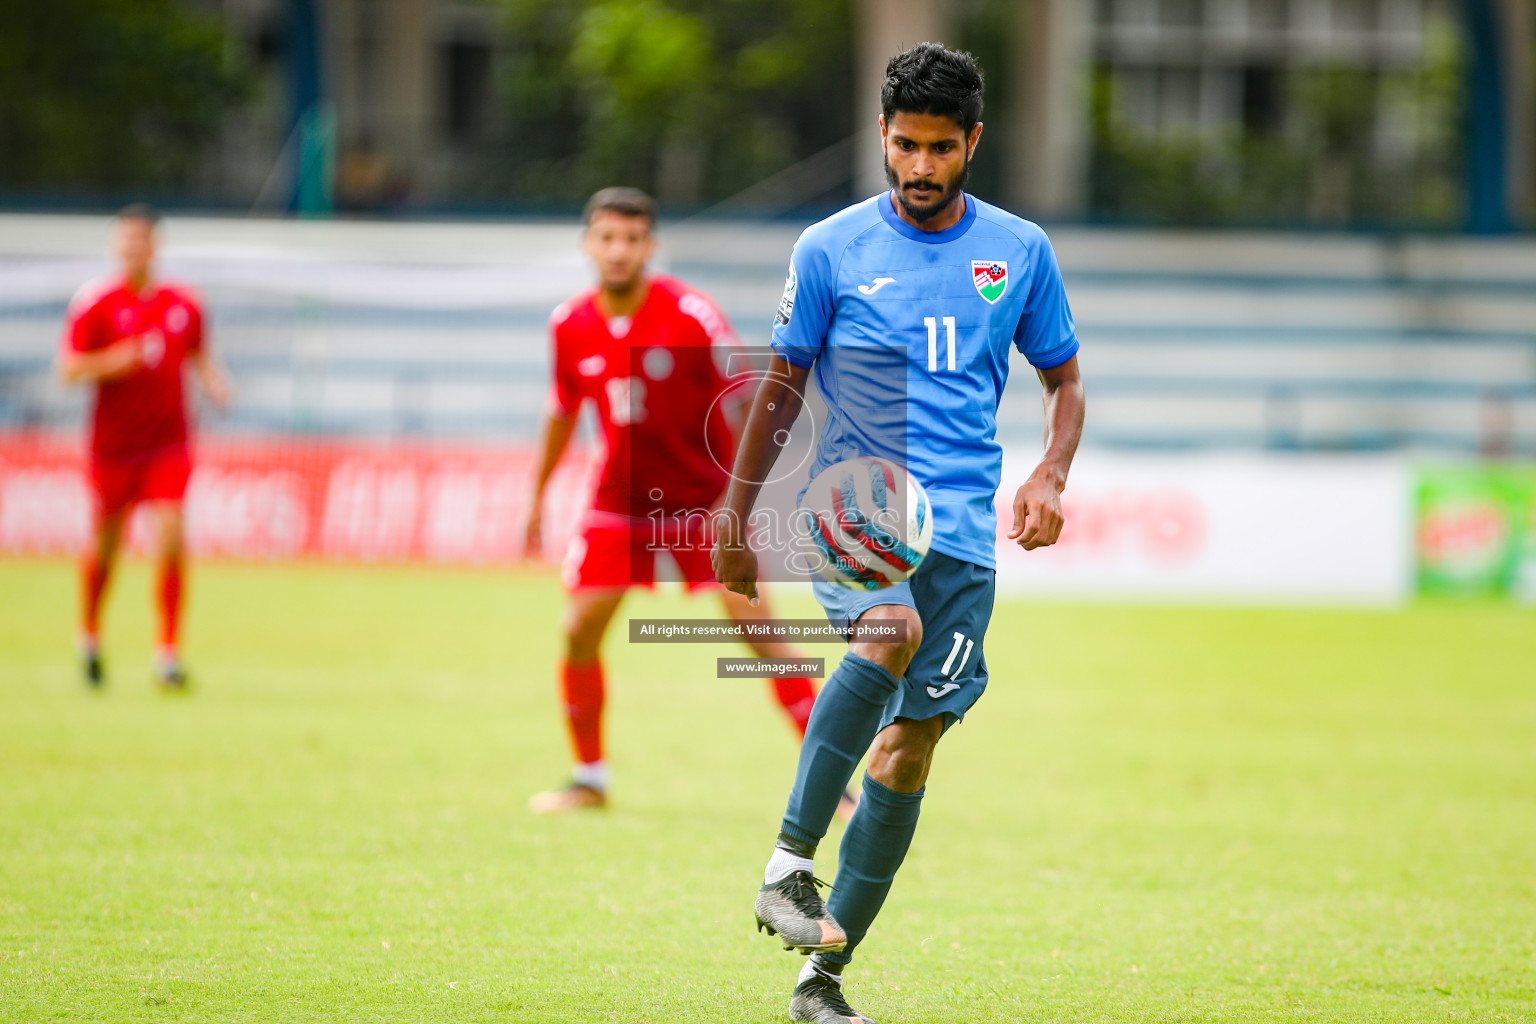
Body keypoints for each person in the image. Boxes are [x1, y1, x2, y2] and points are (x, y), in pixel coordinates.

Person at [712, 43, 1086, 1023]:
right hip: (857, 501)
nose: (920, 167)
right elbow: (784, 385)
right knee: (887, 634)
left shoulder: (1022, 251)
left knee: (908, 753)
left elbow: (1066, 381)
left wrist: (1050, 471)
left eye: (940, 149)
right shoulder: (829, 248)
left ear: (972, 143)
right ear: (881, 136)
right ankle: (788, 863)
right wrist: (736, 512)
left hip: (963, 540)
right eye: (905, 146)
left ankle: (821, 981)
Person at [524, 187, 844, 815]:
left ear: (651, 246)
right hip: (618, 506)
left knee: (761, 637)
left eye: (632, 239)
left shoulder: (691, 315)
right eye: (607, 238)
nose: (619, 251)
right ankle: (590, 778)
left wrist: (740, 501)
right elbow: (562, 413)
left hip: (702, 506)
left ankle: (834, 788)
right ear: (589, 244)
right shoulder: (570, 324)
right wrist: (536, 499)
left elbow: (750, 398)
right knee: (579, 629)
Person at [58, 204, 232, 690]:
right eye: (124, 240)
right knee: (105, 546)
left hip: (168, 445)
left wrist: (216, 385)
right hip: (112, 447)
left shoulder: (184, 304)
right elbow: (68, 368)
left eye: (140, 240)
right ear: (118, 246)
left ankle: (168, 652)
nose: (131, 248)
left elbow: (199, 358)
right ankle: (90, 635)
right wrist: (114, 362)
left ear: (154, 246)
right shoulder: (95, 303)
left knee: (172, 540)